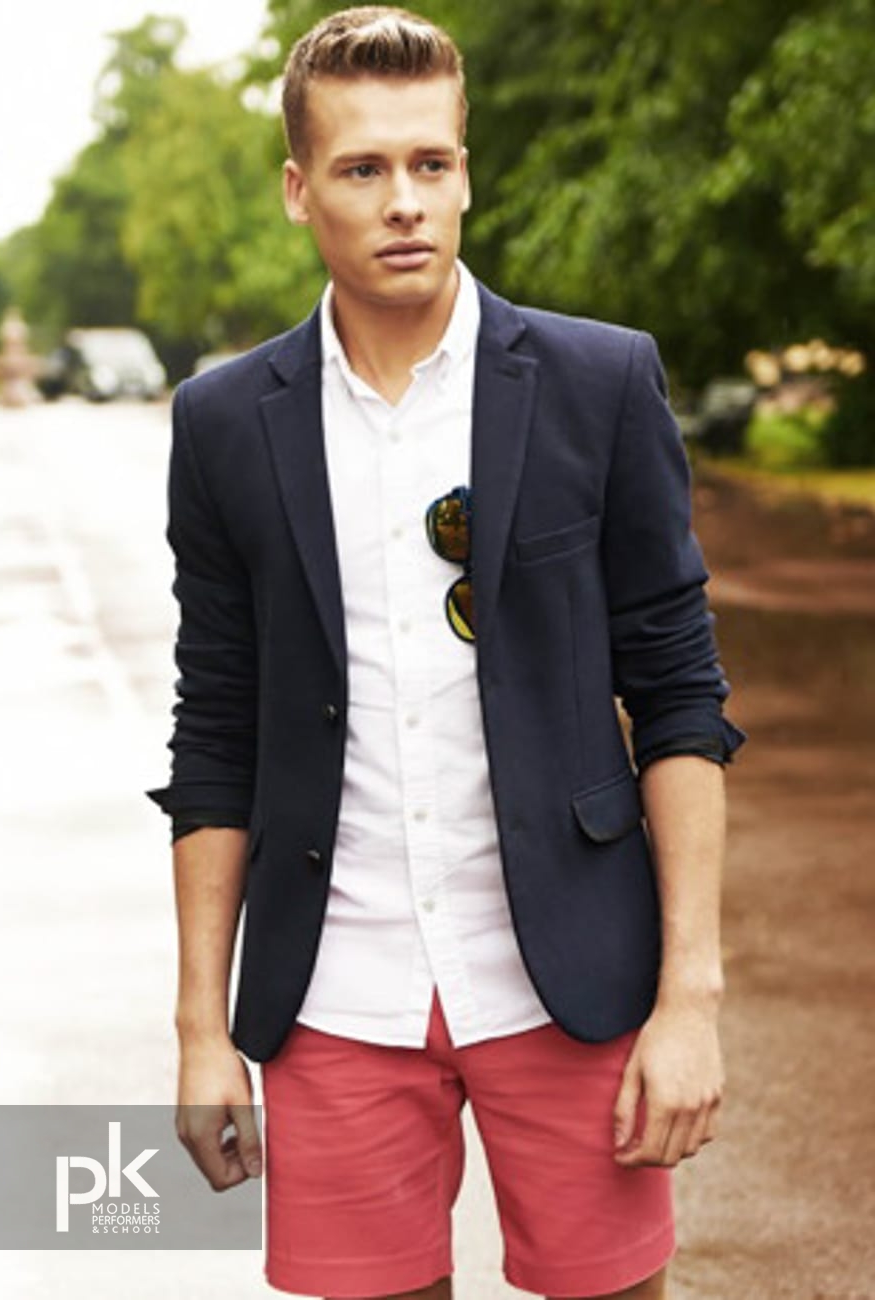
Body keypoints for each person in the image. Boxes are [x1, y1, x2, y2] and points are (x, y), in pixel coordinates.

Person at [148, 7, 746, 1298]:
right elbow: (217, 729)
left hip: (571, 976)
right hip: (336, 988)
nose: (405, 201)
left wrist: (689, 997)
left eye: (431, 163)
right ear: (299, 190)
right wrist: (202, 1027)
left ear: (468, 172)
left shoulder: (599, 383)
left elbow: (680, 695)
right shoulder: (225, 423)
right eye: (364, 168)